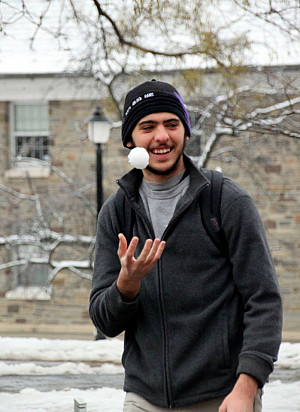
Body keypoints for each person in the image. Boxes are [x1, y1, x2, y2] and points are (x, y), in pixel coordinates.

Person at [89, 79, 282, 411]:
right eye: (148, 126)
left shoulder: (226, 201)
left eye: (172, 124)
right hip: (144, 397)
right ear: (130, 141)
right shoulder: (116, 212)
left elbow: (263, 300)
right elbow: (104, 322)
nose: (161, 136)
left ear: (186, 133)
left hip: (222, 394)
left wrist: (247, 386)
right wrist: (126, 286)